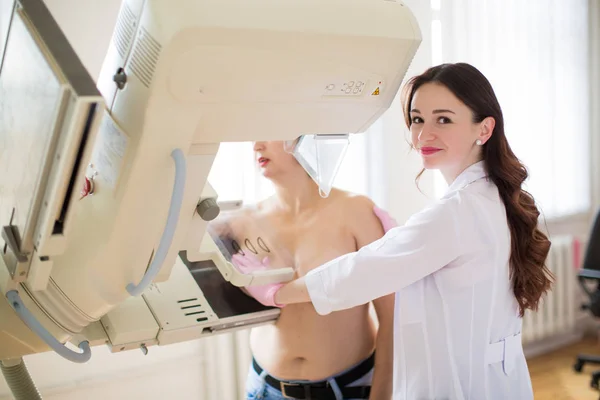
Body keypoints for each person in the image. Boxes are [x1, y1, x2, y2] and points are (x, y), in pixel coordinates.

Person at [240, 62, 554, 400]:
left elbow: (359, 272)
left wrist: (276, 294)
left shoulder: (456, 211)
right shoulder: (493, 197)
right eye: (417, 119)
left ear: (484, 128)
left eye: (443, 119)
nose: (423, 134)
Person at [211, 140, 395, 400]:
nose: (257, 146)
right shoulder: (243, 221)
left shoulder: (356, 212)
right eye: (253, 137)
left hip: (347, 389)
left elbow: (392, 318)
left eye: (269, 132)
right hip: (264, 388)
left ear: (305, 137)